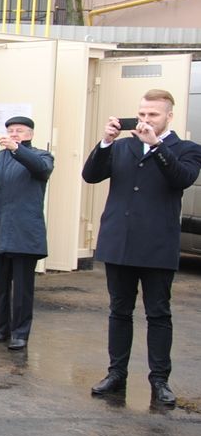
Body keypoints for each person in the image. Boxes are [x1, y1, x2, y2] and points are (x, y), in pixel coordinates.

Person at [81, 89, 201, 406]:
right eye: (142, 114)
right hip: (119, 242)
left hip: (157, 245)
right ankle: (116, 374)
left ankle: (159, 380)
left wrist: (156, 145)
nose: (146, 120)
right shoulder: (121, 147)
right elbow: (90, 176)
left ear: (169, 116)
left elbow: (182, 179)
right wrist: (105, 142)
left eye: (153, 115)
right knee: (119, 311)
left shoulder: (186, 149)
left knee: (158, 314)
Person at [0, 117, 53, 351]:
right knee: (1, 284)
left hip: (24, 231)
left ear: (30, 134)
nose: (14, 134)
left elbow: (41, 170)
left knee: (22, 287)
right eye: (10, 131)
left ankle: (21, 332)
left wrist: (17, 149)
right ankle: (2, 328)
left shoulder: (41, 156)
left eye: (19, 131)